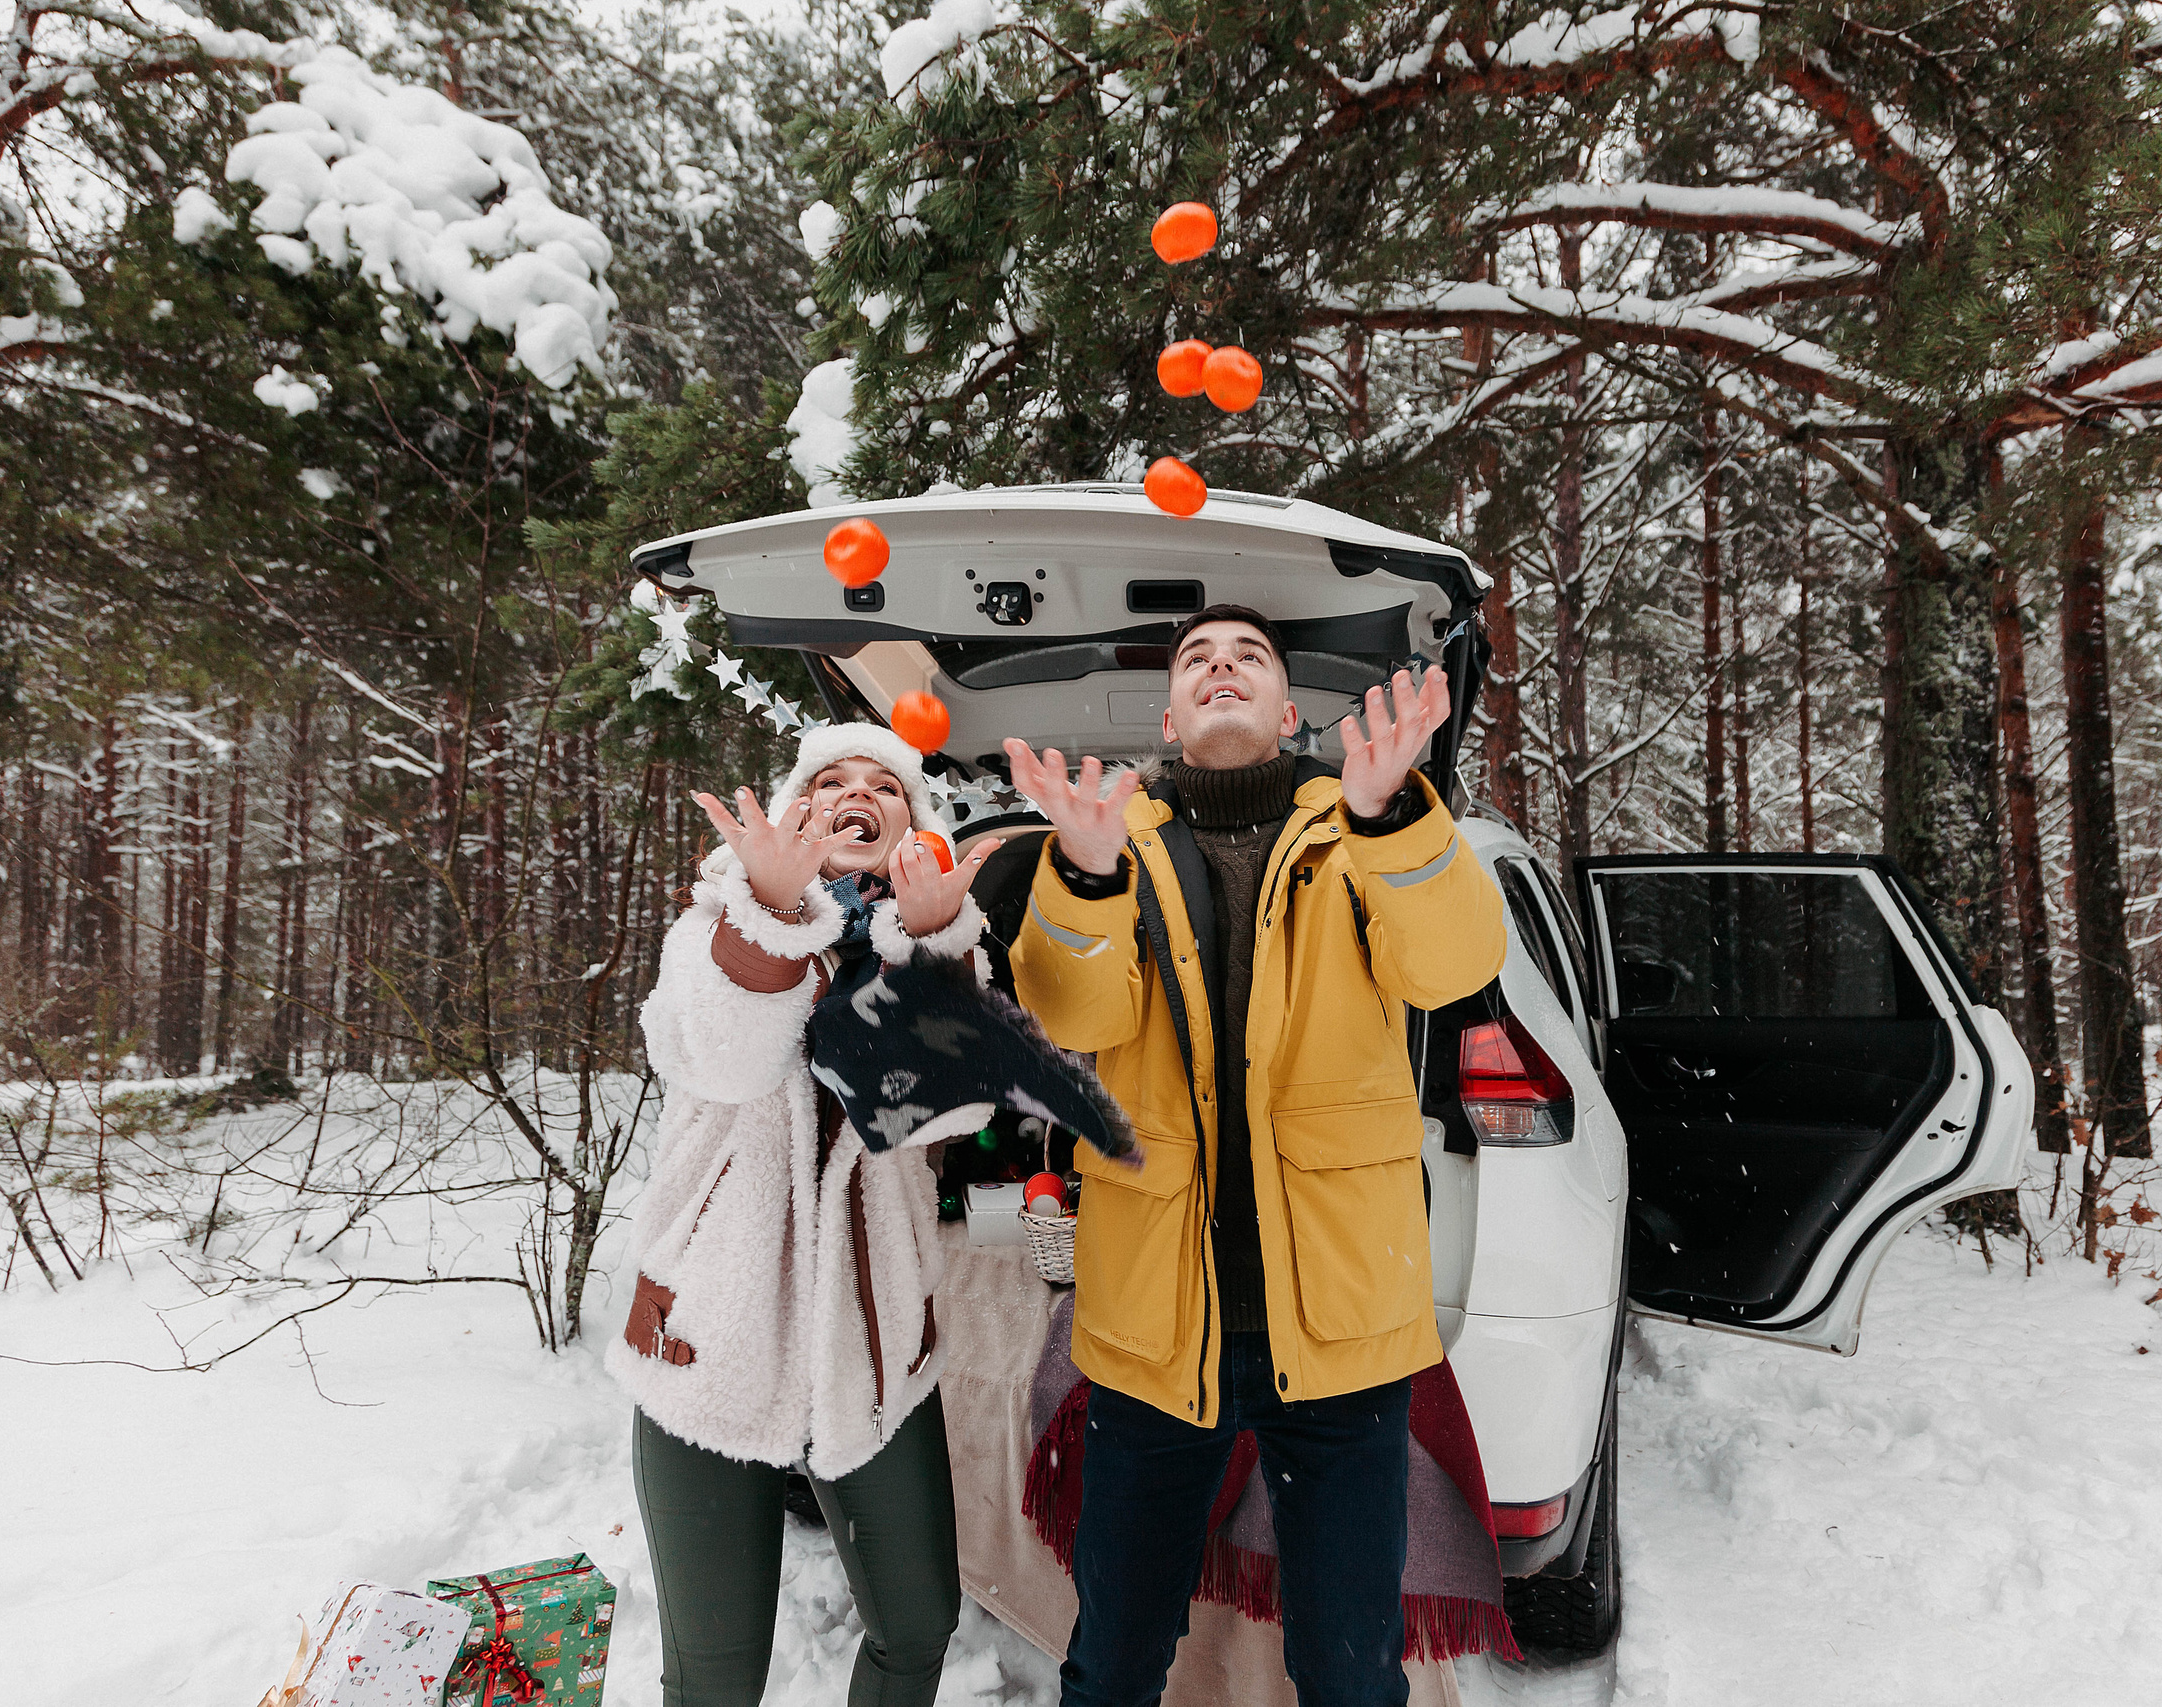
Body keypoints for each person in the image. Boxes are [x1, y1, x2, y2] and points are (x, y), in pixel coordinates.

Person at [1002, 605, 1506, 1707]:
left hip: (1338, 1328)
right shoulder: (1109, 842)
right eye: (1195, 661)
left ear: (1287, 713)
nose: (1218, 668)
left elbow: (1453, 960)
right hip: (1152, 1329)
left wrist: (1391, 819)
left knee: (1351, 1668)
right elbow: (1071, 1013)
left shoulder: (1361, 829)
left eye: (1246, 657)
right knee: (1117, 1655)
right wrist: (1083, 880)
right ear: (1173, 719)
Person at [607, 723, 999, 1707]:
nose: (854, 795)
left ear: (914, 827)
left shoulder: (938, 947)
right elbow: (727, 1060)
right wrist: (775, 912)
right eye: (827, 781)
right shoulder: (709, 932)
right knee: (714, 1678)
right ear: (789, 813)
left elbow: (950, 1110)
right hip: (707, 1344)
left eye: (885, 786)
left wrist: (933, 953)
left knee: (918, 1629)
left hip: (873, 1353)